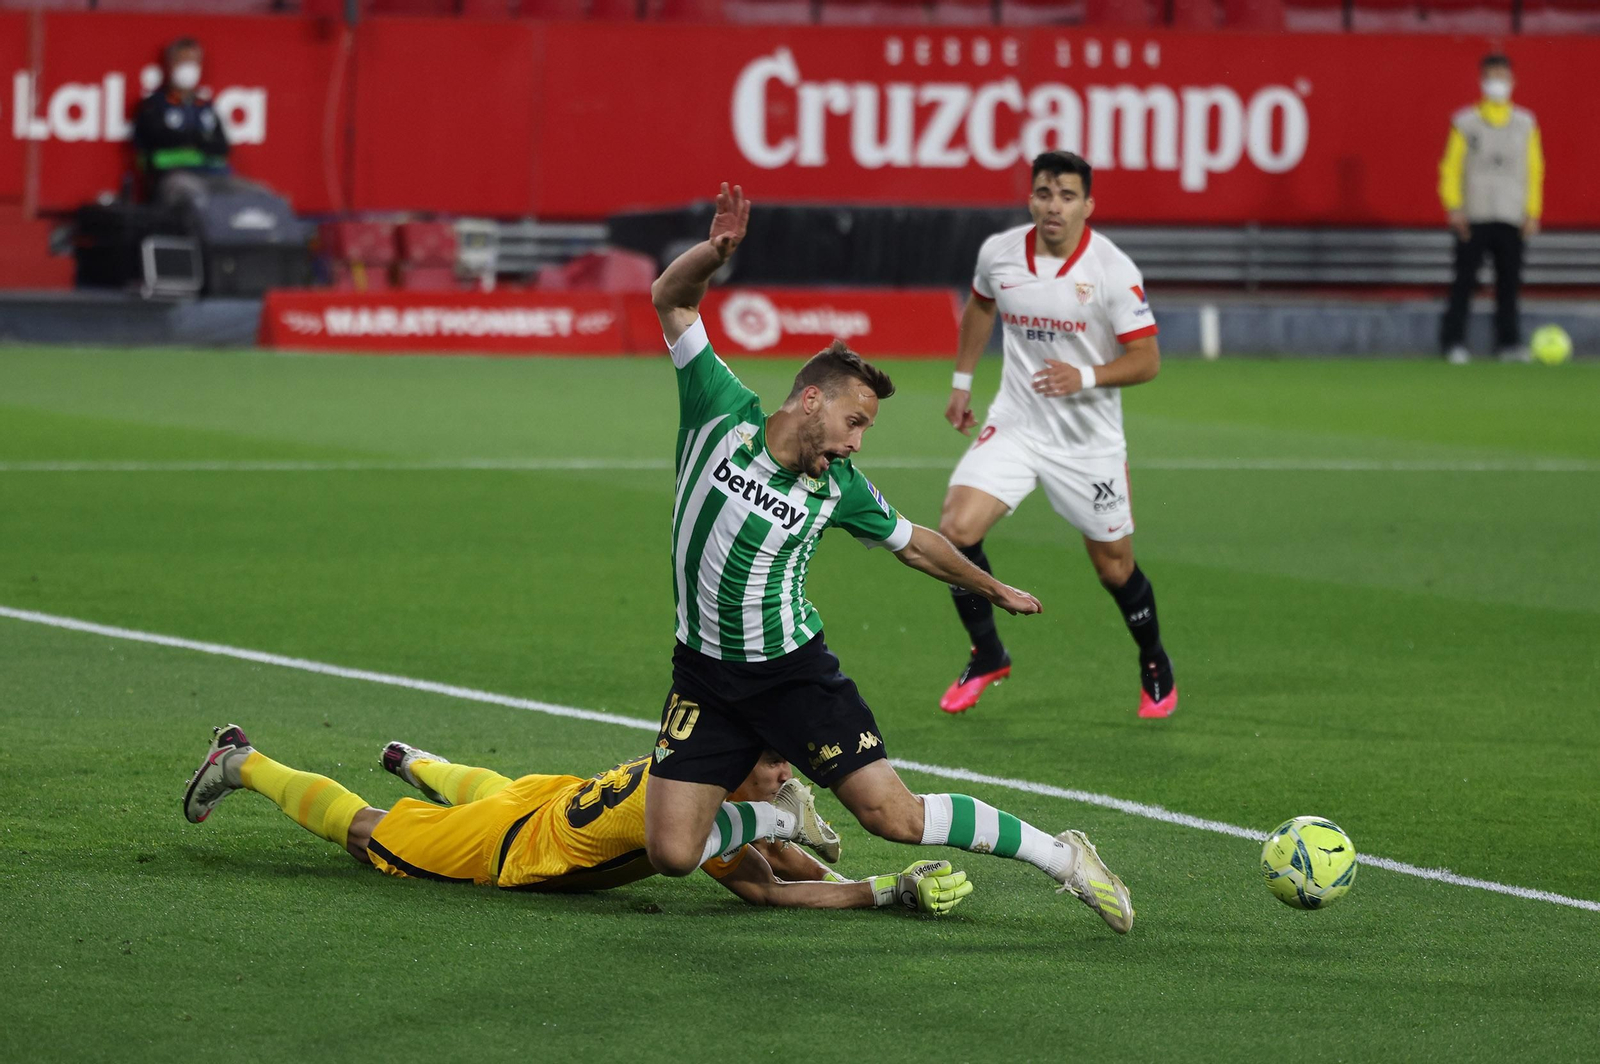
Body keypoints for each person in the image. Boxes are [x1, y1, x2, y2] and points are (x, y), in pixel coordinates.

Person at [643, 182, 1134, 934]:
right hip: (703, 673)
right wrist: (713, 256)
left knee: (894, 819)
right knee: (673, 852)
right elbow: (672, 301)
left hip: (793, 675)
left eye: (864, 429)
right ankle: (779, 819)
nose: (855, 442)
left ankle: (1064, 858)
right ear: (809, 400)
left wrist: (991, 585)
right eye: (852, 421)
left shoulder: (839, 487)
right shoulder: (717, 408)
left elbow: (917, 543)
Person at [182, 724, 975, 913]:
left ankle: (414, 760)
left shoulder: (694, 779)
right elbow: (769, 887)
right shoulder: (698, 821)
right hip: (517, 845)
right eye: (774, 768)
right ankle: (240, 761)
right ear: (739, 773)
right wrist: (880, 891)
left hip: (556, 802)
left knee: (493, 785)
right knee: (368, 835)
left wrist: (875, 881)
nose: (784, 776)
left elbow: (787, 864)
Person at [937, 151, 1175, 721]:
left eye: (1067, 196)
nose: (1053, 206)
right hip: (1017, 423)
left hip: (1087, 443)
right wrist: (962, 383)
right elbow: (979, 307)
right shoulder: (999, 254)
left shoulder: (1112, 272)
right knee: (954, 529)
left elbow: (1147, 360)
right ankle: (988, 652)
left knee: (1115, 568)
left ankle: (1153, 659)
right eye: (1044, 193)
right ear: (1031, 199)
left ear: (1088, 206)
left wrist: (1085, 375)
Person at [1438, 53, 1545, 364]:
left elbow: (1534, 169)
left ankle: (1508, 344)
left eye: (1502, 76)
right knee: (1464, 281)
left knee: (1509, 283)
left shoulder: (1526, 123)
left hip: (1511, 213)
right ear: (1482, 80)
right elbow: (1450, 167)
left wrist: (1532, 211)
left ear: (1512, 81)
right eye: (1491, 76)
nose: (1497, 82)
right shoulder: (1465, 122)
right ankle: (1453, 341)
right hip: (1474, 213)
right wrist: (1454, 206)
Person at [131, 38, 256, 206]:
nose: (188, 67)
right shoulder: (153, 106)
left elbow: (222, 147)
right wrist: (199, 139)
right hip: (173, 176)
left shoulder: (205, 106)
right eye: (183, 61)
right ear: (170, 64)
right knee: (196, 199)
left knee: (254, 196)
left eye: (193, 62)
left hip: (213, 175)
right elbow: (157, 139)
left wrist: (191, 139)